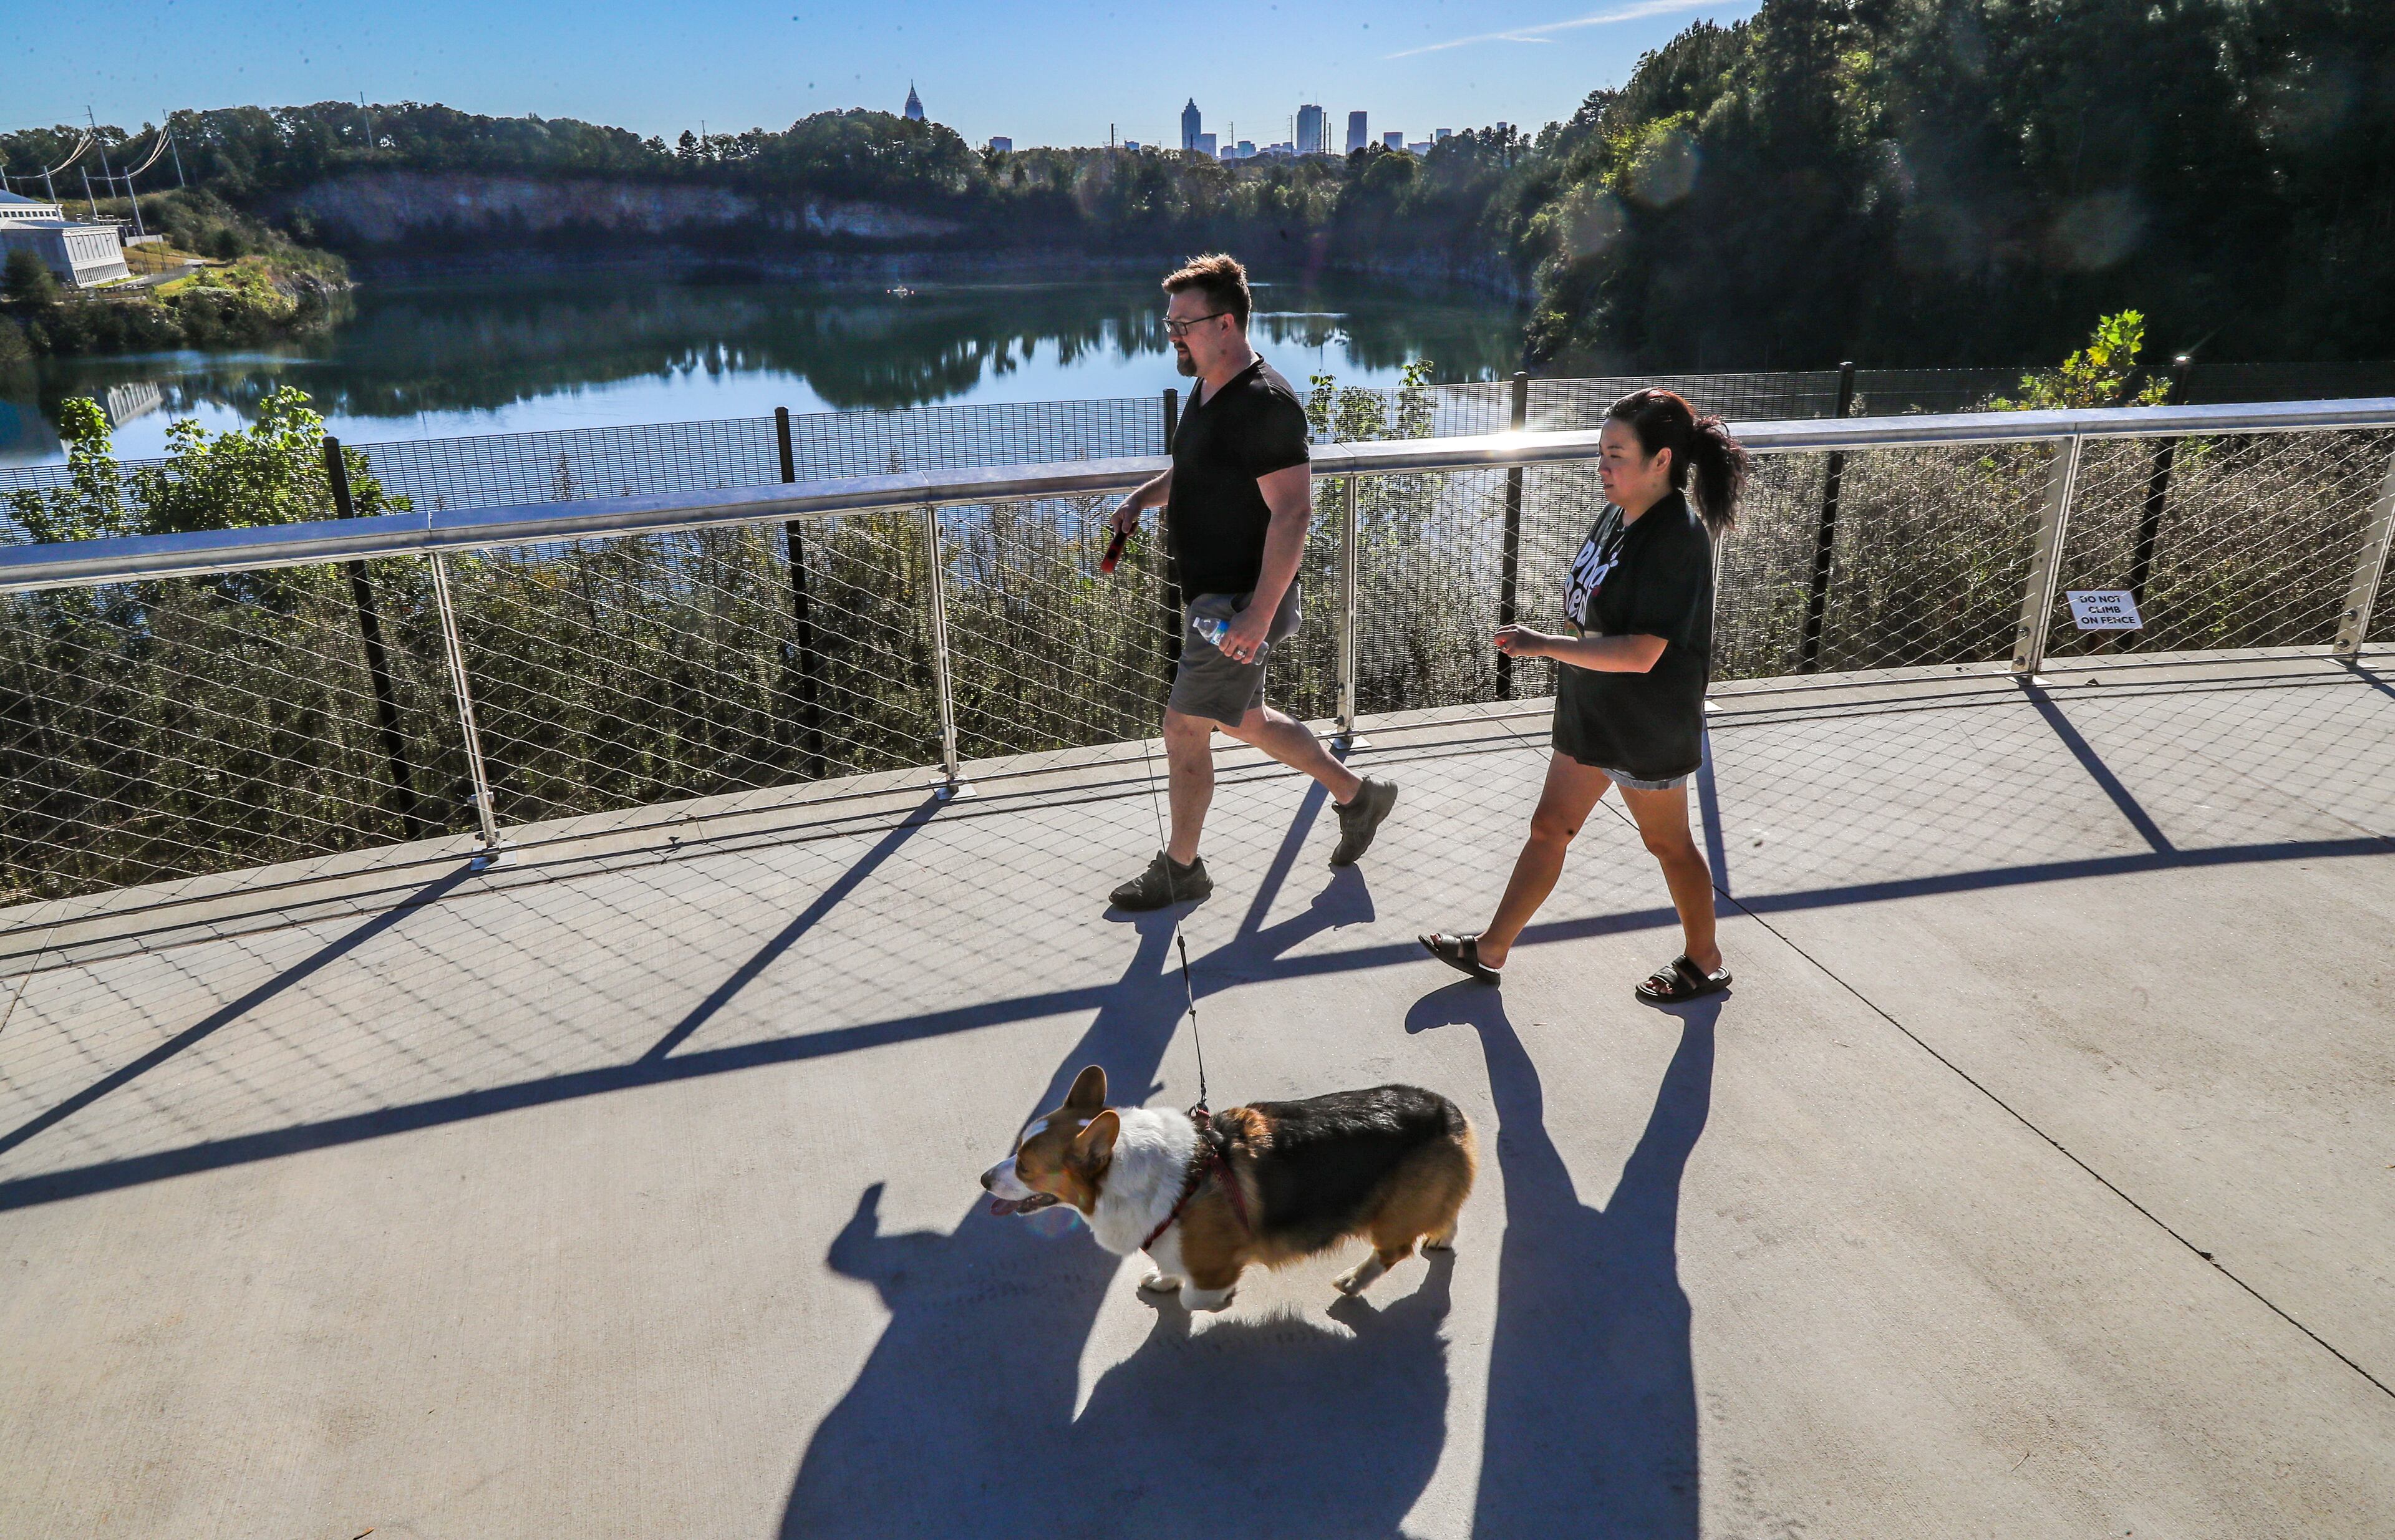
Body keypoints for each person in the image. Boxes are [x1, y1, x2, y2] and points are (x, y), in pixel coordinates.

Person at [1420, 388, 1748, 1002]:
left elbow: (1641, 651)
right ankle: (1490, 951)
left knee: (1667, 844)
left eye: (1617, 455)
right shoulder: (1618, 512)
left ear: (1662, 460)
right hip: (1594, 711)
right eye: (1601, 453)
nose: (1603, 467)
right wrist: (1558, 652)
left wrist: (1544, 645)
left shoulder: (1678, 537)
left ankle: (1704, 960)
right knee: (1550, 828)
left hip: (1645, 726)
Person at [1103, 253, 1398, 910]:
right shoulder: (1209, 388)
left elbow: (1294, 510)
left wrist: (1258, 616)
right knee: (1245, 718)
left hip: (1238, 600)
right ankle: (1359, 796)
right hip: (1216, 598)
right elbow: (1199, 469)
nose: (1172, 336)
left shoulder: (1265, 404)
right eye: (1169, 323)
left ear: (1228, 323)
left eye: (1185, 323)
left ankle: (1182, 869)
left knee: (1184, 725)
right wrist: (1142, 498)